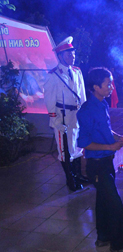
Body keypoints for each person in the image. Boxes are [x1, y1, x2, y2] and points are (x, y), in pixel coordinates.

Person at [77, 67, 123, 252]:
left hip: (106, 162)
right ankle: (117, 245)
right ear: (95, 87)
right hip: (97, 165)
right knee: (115, 204)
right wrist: (110, 148)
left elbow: (105, 131)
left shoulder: (102, 104)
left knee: (102, 199)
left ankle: (103, 237)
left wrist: (118, 138)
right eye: (107, 84)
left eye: (111, 83)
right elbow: (83, 142)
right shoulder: (86, 111)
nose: (111, 87)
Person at [44, 36, 88, 191]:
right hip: (62, 116)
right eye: (69, 55)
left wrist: (85, 113)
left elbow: (82, 95)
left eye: (73, 54)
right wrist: (55, 121)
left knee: (76, 148)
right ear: (60, 56)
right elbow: (49, 100)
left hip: (76, 115)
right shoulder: (53, 76)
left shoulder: (77, 72)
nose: (72, 57)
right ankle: (71, 181)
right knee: (64, 150)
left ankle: (77, 176)